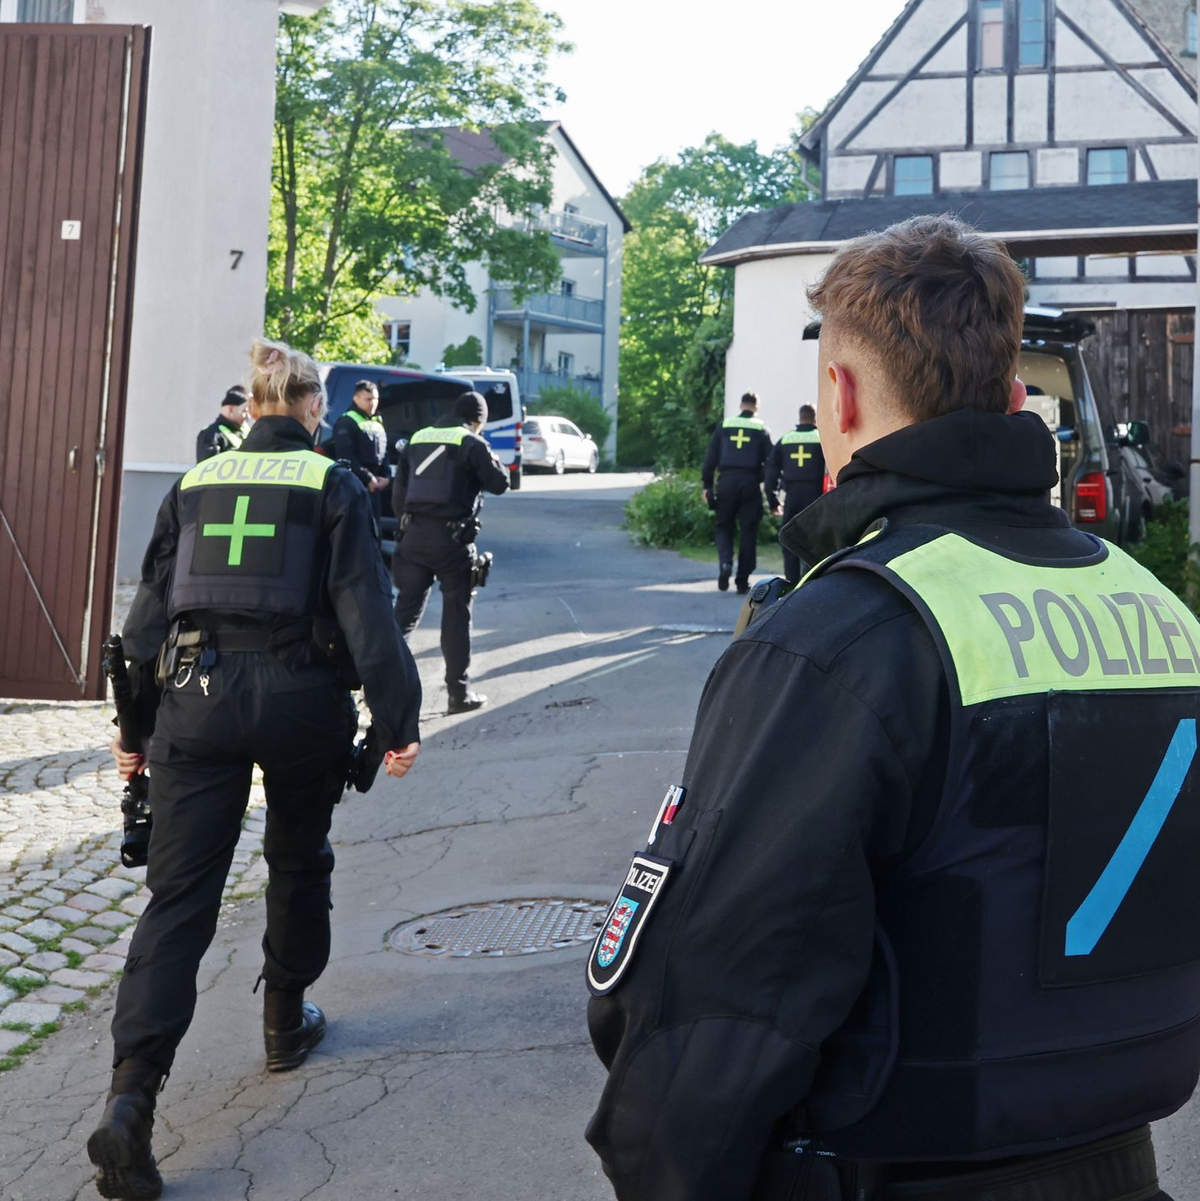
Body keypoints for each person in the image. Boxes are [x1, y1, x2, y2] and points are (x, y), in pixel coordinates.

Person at [584, 216, 1197, 1201]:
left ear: (840, 392)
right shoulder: (1164, 615)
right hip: (1125, 1170)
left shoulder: (842, 635)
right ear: (1014, 397)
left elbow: (709, 1013)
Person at [88, 339, 423, 1201]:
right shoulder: (332, 482)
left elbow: (144, 625)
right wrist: (397, 720)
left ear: (257, 402)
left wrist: (133, 730)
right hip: (301, 701)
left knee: (179, 898)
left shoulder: (194, 482)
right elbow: (368, 613)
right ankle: (283, 1019)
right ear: (311, 406)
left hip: (195, 701)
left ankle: (130, 1098)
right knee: (298, 856)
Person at [393, 390, 508, 714]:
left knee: (403, 616)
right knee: (456, 616)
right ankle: (458, 694)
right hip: (452, 541)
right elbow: (500, 483)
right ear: (478, 420)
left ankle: (380, 693)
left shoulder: (418, 438)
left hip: (413, 537)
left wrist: (407, 528)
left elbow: (399, 492)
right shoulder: (471, 442)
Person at [701, 391, 772, 594]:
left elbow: (710, 459)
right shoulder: (761, 428)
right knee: (748, 531)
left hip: (726, 482)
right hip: (750, 483)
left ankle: (725, 563)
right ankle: (742, 580)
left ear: (741, 406)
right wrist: (761, 479)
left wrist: (707, 486)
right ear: (756, 407)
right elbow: (771, 462)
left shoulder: (724, 426)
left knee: (723, 526)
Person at [765, 402, 825, 584]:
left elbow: (771, 472)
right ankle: (812, 584)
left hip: (792, 496)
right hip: (815, 497)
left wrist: (773, 500)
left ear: (800, 418)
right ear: (815, 418)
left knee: (789, 540)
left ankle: (791, 584)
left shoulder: (785, 440)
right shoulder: (822, 438)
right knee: (816, 542)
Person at [332, 379, 390, 511]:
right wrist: (368, 478)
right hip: (355, 485)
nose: (373, 403)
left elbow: (384, 452)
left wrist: (386, 477)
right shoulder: (347, 421)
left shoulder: (376, 421)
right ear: (356, 399)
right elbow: (346, 456)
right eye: (368, 399)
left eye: (375, 399)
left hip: (374, 488)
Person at [195, 385, 249, 461]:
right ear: (230, 410)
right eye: (244, 411)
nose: (248, 416)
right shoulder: (210, 435)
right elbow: (209, 466)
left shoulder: (246, 431)